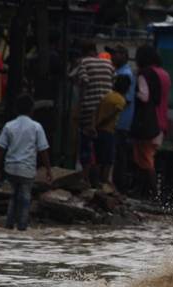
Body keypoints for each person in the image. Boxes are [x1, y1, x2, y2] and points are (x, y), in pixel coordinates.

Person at [0, 94, 52, 231]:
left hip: (11, 168)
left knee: (13, 197)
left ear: (15, 110)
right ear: (32, 110)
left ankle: (9, 225)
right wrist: (48, 169)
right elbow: (43, 150)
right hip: (27, 169)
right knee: (25, 199)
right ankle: (22, 228)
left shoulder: (9, 126)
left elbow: (0, 148)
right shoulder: (37, 127)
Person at [69, 41, 114, 185]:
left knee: (86, 147)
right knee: (102, 148)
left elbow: (80, 80)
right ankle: (101, 181)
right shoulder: (108, 64)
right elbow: (114, 80)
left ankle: (86, 179)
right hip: (106, 110)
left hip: (89, 110)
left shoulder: (84, 63)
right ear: (95, 51)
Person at [129, 45, 170, 200]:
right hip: (162, 123)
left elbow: (144, 96)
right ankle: (145, 193)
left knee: (144, 159)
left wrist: (135, 93)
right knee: (147, 158)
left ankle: (152, 194)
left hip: (147, 124)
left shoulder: (145, 74)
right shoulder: (164, 74)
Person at [106, 44, 136, 192]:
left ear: (124, 55)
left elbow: (126, 99)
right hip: (116, 121)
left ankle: (119, 186)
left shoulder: (126, 74)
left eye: (115, 54)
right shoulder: (118, 71)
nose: (112, 56)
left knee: (119, 155)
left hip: (121, 121)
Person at [92, 75, 130, 188]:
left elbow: (97, 111)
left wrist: (96, 125)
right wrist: (101, 124)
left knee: (98, 158)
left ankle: (95, 182)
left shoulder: (107, 96)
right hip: (108, 131)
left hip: (99, 130)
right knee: (108, 159)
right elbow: (111, 116)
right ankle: (104, 182)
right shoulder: (120, 100)